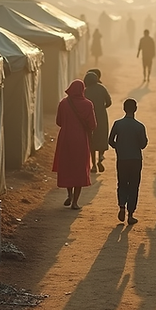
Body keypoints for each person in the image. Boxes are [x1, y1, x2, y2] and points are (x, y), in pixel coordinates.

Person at [52, 79, 96, 209]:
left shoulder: (64, 103)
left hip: (65, 138)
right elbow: (93, 125)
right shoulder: (88, 105)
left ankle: (69, 195)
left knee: (67, 167)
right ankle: (75, 202)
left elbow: (59, 122)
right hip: (81, 139)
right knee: (79, 169)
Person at [108, 98, 148, 225]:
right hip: (135, 159)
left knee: (122, 183)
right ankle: (131, 214)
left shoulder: (118, 124)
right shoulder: (139, 126)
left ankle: (121, 206)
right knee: (134, 186)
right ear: (135, 109)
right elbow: (143, 144)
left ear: (123, 109)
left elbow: (110, 140)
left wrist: (118, 147)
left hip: (122, 158)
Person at [84, 69, 112, 173]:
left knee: (91, 140)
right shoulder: (101, 88)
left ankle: (94, 165)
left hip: (89, 117)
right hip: (101, 116)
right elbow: (109, 102)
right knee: (102, 137)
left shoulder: (85, 91)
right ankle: (101, 156)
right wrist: (102, 107)